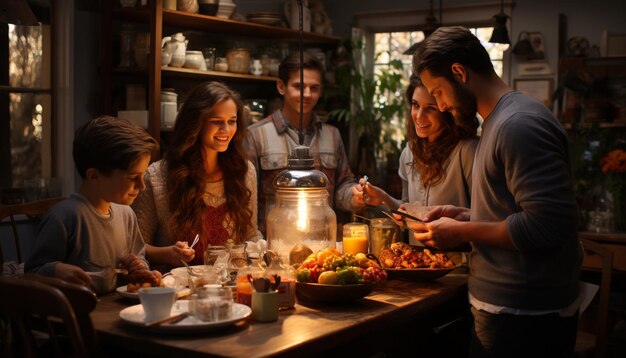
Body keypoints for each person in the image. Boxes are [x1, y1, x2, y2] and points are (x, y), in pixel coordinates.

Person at [409, 26, 582, 357]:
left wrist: (463, 229)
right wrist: (468, 215)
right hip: (508, 312)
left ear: (459, 73)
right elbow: (518, 213)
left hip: (523, 318)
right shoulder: (498, 121)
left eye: (439, 92)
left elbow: (548, 225)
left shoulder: (518, 124)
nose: (441, 106)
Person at [25, 116, 161, 295]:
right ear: (94, 176)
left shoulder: (126, 214)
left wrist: (139, 268)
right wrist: (57, 269)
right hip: (75, 316)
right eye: (132, 177)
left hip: (113, 310)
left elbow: (139, 256)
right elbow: (32, 272)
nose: (142, 186)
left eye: (142, 176)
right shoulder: (66, 216)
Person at [132, 81, 262, 269]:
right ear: (195, 123)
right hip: (178, 288)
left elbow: (250, 236)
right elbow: (136, 246)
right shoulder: (157, 176)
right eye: (217, 122)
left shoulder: (244, 171)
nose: (226, 130)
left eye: (232, 121)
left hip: (230, 286)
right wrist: (167, 254)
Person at [245, 51, 362, 235]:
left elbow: (342, 187)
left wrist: (356, 196)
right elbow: (246, 199)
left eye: (314, 88)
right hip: (274, 244)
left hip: (321, 243)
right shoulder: (256, 135)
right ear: (281, 86)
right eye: (299, 86)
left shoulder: (332, 135)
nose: (307, 94)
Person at [353, 75, 478, 229]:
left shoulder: (468, 151)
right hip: (416, 252)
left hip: (459, 253)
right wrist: (383, 198)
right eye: (415, 105)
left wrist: (457, 227)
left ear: (447, 110)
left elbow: (487, 218)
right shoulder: (409, 152)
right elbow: (409, 209)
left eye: (431, 108)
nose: (419, 116)